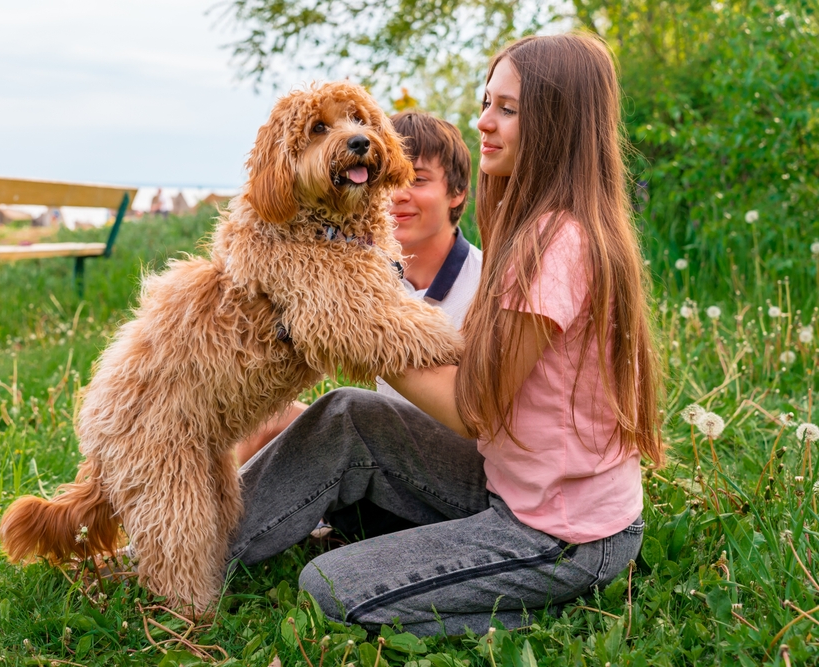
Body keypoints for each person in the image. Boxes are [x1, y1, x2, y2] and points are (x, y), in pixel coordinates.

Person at [228, 33, 662, 636]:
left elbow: (476, 410)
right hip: (504, 480)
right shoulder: (533, 226)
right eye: (487, 102)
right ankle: (187, 552)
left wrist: (354, 328)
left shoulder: (557, 247)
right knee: (347, 413)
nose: (483, 122)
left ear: (559, 122)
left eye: (507, 109)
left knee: (328, 586)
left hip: (561, 534)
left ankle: (555, 604)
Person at [234, 111, 481, 466]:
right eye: (386, 179)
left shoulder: (486, 281)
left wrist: (362, 333)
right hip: (387, 443)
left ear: (456, 193)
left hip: (455, 462)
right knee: (268, 421)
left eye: (417, 180)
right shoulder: (362, 273)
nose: (397, 196)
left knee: (346, 409)